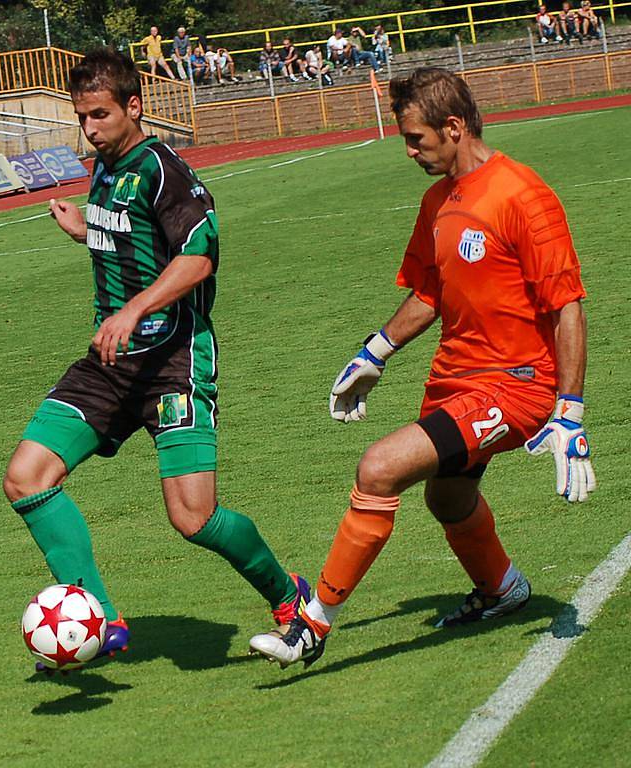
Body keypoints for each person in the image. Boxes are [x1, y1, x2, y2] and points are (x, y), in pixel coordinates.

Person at [249, 66, 595, 669]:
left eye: (415, 138)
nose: (408, 150)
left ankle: (311, 623)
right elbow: (429, 292)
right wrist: (374, 352)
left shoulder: (522, 195)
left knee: (379, 468)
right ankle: (502, 589)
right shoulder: (438, 200)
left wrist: (569, 411)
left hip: (515, 388)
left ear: (454, 127)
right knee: (449, 497)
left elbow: (567, 307)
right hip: (455, 380)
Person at [2, 49, 309, 671]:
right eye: (81, 117)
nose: (88, 129)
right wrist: (85, 229)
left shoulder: (163, 169)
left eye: (100, 115)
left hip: (173, 360)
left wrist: (134, 310)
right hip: (110, 360)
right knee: (26, 477)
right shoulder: (107, 168)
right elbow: (129, 236)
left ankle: (289, 597)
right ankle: (99, 618)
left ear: (134, 106)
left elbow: (198, 258)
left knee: (193, 518)